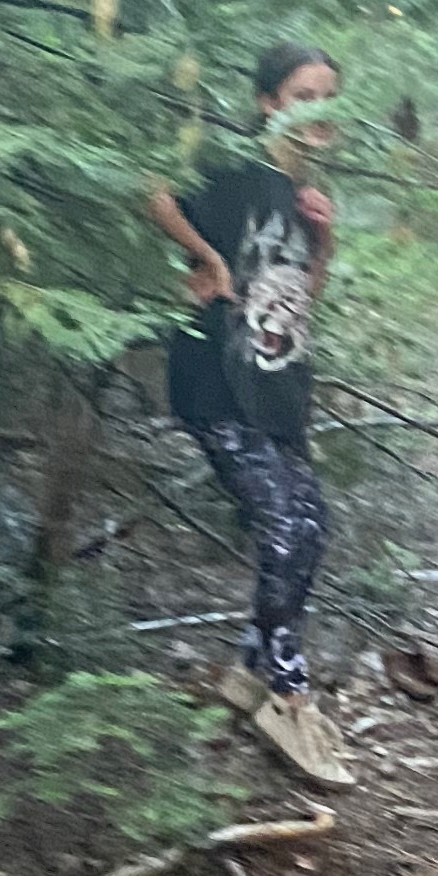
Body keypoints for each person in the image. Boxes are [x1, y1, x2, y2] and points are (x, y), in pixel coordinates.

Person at [144, 40, 353, 790]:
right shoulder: (237, 168)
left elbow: (302, 296)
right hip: (216, 382)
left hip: (280, 388)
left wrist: (325, 241)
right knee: (284, 526)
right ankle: (289, 696)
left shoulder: (305, 196)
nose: (318, 109)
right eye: (302, 94)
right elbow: (153, 190)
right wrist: (207, 259)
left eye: (328, 95)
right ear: (269, 103)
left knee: (314, 528)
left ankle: (247, 670)